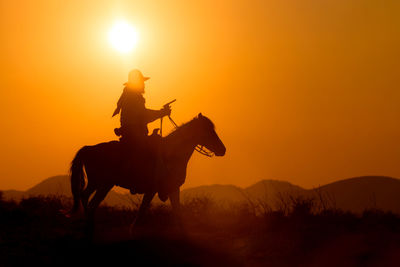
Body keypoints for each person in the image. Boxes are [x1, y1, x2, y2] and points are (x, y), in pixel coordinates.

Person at [112, 69, 171, 198]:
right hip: (134, 133)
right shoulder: (134, 97)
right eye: (142, 82)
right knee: (156, 149)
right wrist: (162, 113)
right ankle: (149, 182)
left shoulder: (129, 96)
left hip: (130, 132)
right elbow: (144, 115)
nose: (144, 85)